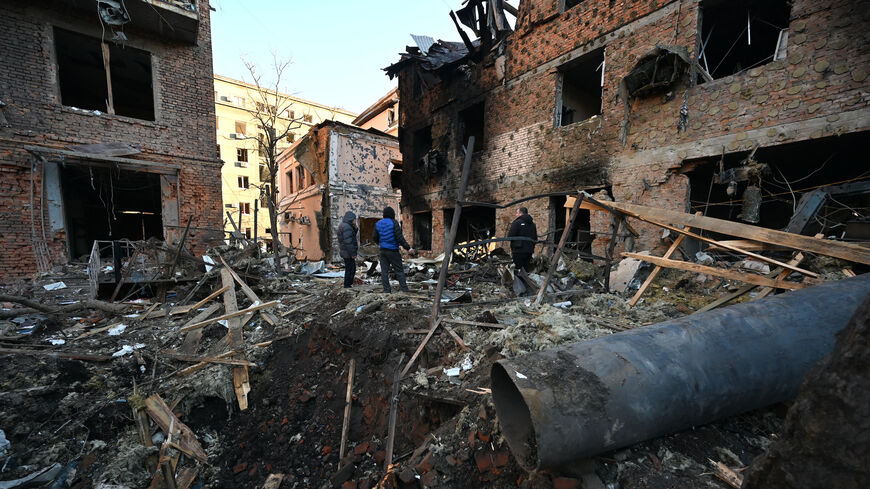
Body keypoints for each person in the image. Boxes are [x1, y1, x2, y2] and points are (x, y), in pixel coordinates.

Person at [373, 206, 415, 293]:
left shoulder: (378, 223)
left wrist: (382, 242)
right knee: (399, 271)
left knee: (384, 271)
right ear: (392, 214)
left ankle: (387, 290)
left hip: (382, 251)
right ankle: (404, 289)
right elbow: (400, 238)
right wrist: (408, 248)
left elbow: (375, 237)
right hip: (393, 251)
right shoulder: (394, 223)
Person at [508, 206, 537, 271]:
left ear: (520, 213)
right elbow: (535, 238)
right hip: (529, 250)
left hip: (518, 250)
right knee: (526, 270)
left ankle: (519, 281)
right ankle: (525, 281)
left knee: (518, 269)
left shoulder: (516, 223)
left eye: (517, 213)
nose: (516, 215)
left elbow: (510, 236)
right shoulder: (533, 224)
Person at [337, 211, 358, 288]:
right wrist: (353, 253)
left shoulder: (345, 226)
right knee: (350, 268)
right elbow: (348, 242)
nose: (355, 221)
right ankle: (347, 285)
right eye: (354, 219)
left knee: (350, 268)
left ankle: (348, 284)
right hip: (348, 252)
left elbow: (351, 236)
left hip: (345, 251)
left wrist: (355, 228)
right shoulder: (347, 227)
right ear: (351, 219)